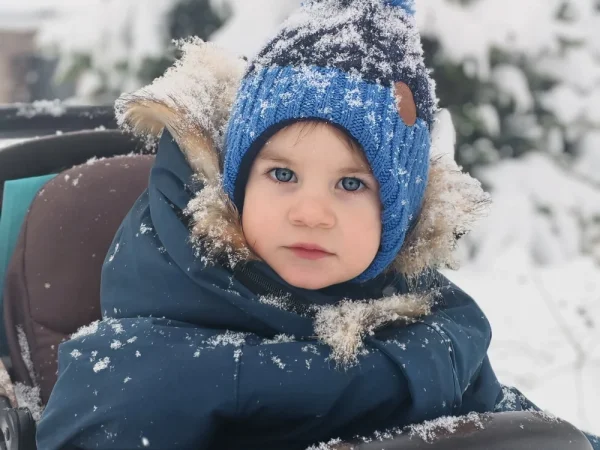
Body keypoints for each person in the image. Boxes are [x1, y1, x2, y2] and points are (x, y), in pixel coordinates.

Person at [36, 1, 600, 449]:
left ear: (399, 214)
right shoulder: (153, 362)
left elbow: (511, 429)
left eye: (351, 184)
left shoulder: (437, 336)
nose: (310, 212)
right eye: (282, 174)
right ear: (237, 187)